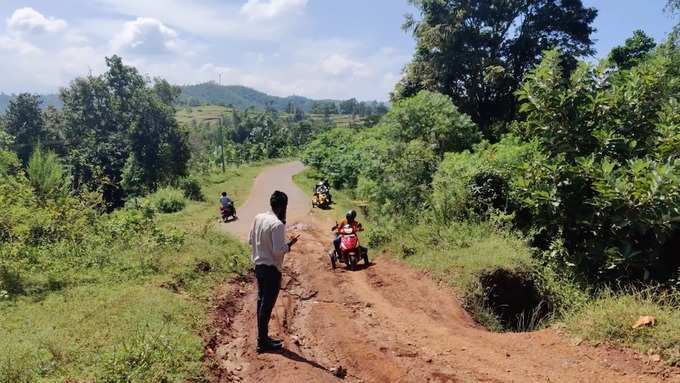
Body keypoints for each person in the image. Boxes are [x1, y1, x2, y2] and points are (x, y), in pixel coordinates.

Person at [248, 191, 300, 353]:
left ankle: (263, 338)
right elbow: (278, 251)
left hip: (259, 267)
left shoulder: (258, 218)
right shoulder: (277, 225)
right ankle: (262, 342)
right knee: (266, 306)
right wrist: (289, 244)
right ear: (283, 206)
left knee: (261, 302)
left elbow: (250, 240)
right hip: (272, 270)